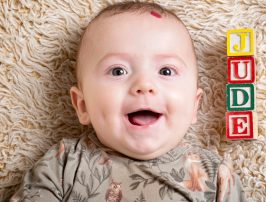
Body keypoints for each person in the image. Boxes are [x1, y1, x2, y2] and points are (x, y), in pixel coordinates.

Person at [10, 1, 246, 201]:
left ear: (194, 106)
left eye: (165, 71)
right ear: (82, 106)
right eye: (118, 71)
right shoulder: (61, 166)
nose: (144, 84)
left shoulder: (215, 175)